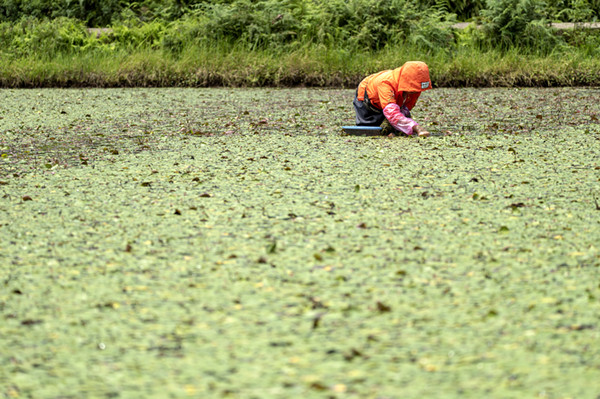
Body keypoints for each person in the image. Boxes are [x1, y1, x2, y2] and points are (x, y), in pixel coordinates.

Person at [353, 61, 432, 137]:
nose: (416, 92)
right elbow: (391, 113)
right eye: (413, 90)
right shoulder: (386, 83)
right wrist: (416, 128)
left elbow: (407, 106)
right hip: (369, 100)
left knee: (399, 130)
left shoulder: (416, 87)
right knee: (371, 131)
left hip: (395, 102)